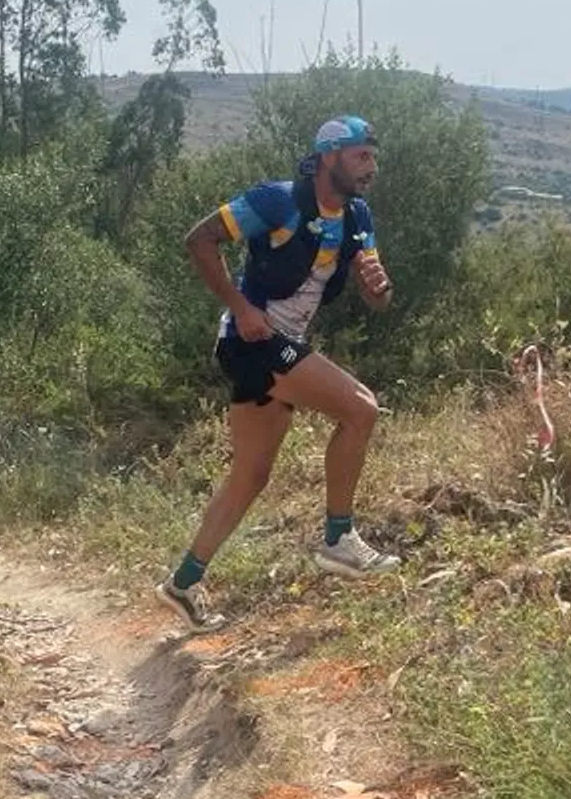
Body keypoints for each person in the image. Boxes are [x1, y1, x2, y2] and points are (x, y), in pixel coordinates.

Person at [156, 115, 401, 632]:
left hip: (279, 346)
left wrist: (378, 290)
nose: (371, 167)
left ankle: (183, 583)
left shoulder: (358, 216)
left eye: (373, 157)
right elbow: (199, 240)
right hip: (252, 343)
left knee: (250, 476)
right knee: (361, 408)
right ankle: (339, 539)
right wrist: (240, 307)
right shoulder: (277, 201)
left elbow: (377, 299)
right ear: (330, 156)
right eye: (362, 156)